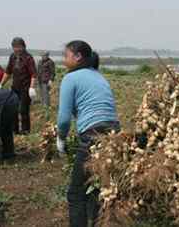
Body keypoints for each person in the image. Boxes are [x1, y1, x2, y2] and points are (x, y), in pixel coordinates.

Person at [56, 40, 119, 227]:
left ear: (77, 56)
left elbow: (64, 118)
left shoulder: (70, 78)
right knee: (97, 187)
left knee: (75, 193)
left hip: (92, 134)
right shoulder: (98, 76)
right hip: (114, 133)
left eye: (65, 55)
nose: (63, 59)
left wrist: (61, 138)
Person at [0, 37, 38, 135]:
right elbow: (8, 72)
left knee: (23, 110)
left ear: (23, 47)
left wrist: (32, 87)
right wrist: (0, 84)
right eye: (15, 47)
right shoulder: (12, 57)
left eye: (19, 47)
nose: (17, 49)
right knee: (13, 109)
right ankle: (14, 129)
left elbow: (34, 74)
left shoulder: (28, 58)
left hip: (25, 88)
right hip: (14, 88)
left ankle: (25, 130)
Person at [37, 51, 56, 121]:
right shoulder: (40, 62)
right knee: (41, 93)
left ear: (47, 56)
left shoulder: (50, 62)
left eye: (44, 55)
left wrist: (51, 80)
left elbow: (53, 72)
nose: (43, 57)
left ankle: (47, 106)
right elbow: (38, 70)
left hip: (46, 80)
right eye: (42, 55)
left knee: (46, 94)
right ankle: (43, 105)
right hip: (40, 79)